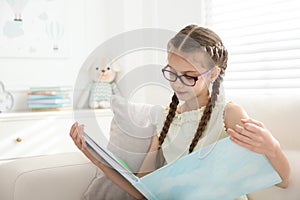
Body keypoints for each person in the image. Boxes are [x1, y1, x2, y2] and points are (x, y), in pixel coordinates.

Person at [70, 24, 290, 200]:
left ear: (213, 74)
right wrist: (98, 160)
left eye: (189, 75)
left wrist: (273, 147)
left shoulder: (229, 114)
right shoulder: (165, 119)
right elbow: (143, 191)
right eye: (172, 73)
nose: (178, 83)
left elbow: (282, 179)